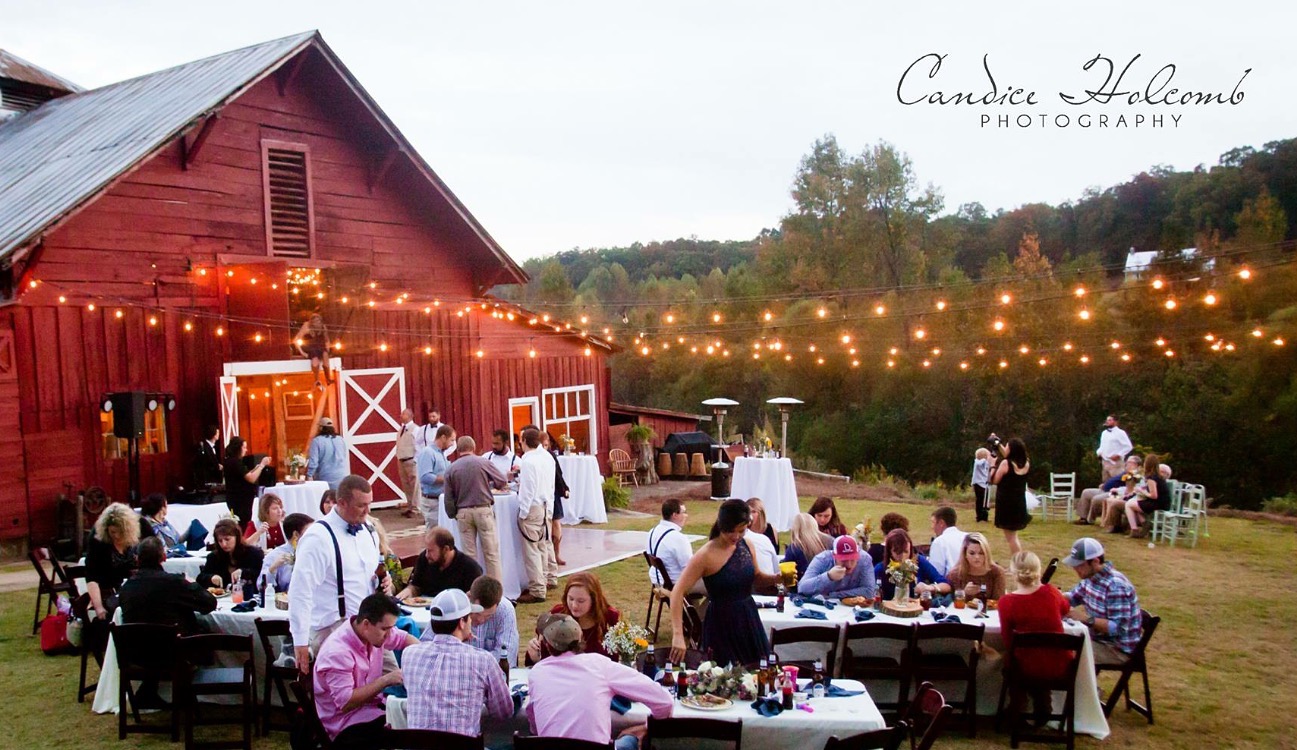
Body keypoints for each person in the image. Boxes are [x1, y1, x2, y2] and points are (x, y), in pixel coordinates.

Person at [289, 475, 391, 672]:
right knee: (348, 695)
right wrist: (300, 640)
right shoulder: (318, 537)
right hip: (335, 629)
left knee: (394, 677)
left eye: (369, 504)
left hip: (370, 625)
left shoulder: (369, 530)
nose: (368, 511)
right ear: (342, 503)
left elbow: (367, 574)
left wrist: (381, 580)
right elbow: (300, 591)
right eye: (362, 505)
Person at [527, 613, 673, 750]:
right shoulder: (599, 665)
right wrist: (646, 727)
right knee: (630, 739)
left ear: (546, 644)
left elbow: (533, 726)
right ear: (580, 637)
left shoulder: (536, 673)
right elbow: (664, 702)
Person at [669, 499, 780, 667]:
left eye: (741, 531)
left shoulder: (747, 545)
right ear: (721, 527)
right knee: (723, 679)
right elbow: (677, 592)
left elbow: (756, 577)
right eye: (730, 532)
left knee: (758, 674)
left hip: (748, 619)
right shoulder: (705, 555)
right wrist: (678, 634)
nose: (736, 536)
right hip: (721, 623)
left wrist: (776, 578)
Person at [404, 588, 513, 738]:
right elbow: (504, 711)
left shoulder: (409, 655)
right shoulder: (483, 660)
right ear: (462, 622)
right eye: (468, 618)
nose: (471, 622)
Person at [312, 593, 417, 748]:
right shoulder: (337, 652)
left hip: (370, 711)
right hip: (344, 726)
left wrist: (423, 655)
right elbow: (346, 702)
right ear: (366, 624)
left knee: (413, 721)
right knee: (407, 731)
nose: (389, 634)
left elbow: (404, 639)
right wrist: (386, 680)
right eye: (385, 629)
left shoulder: (374, 632)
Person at [997, 551, 1071, 722]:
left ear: (1013, 572)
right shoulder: (1051, 593)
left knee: (1014, 662)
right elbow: (1065, 609)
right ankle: (1042, 707)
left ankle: (1018, 705)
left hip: (1026, 666)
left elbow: (1008, 640)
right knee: (1034, 659)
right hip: (1060, 663)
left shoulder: (1007, 602)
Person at [1061, 537, 1143, 666]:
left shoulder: (1116, 586)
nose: (1075, 569)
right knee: (1059, 643)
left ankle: (1080, 686)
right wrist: (1052, 596)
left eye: (1080, 565)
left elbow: (1118, 628)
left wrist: (1086, 619)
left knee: (1066, 653)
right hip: (1099, 640)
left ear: (1095, 561)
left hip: (1117, 649)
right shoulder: (1090, 578)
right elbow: (1073, 597)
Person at [120, 537, 218, 635]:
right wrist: (193, 584)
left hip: (136, 646)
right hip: (175, 646)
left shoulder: (126, 588)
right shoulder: (175, 583)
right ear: (164, 557)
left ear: (137, 559)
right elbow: (210, 604)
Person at [444, 435, 508, 581]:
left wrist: (453, 514)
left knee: (469, 554)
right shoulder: (483, 462)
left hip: (463, 512)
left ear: (458, 450)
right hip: (483, 509)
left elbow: (448, 497)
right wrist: (489, 484)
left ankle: (473, 587)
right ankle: (496, 588)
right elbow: (502, 481)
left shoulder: (451, 468)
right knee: (491, 553)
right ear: (473, 448)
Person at [526, 572, 620, 663]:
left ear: (594, 600)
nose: (574, 605)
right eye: (571, 599)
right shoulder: (557, 616)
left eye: (581, 601)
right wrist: (535, 655)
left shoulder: (610, 618)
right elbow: (544, 656)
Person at [516, 426, 558, 604]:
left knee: (532, 549)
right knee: (542, 545)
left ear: (525, 442)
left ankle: (537, 589)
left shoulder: (528, 461)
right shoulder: (547, 457)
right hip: (546, 504)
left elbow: (528, 489)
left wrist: (523, 512)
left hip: (533, 506)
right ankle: (548, 578)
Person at [85, 502, 141, 620]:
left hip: (135, 590)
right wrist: (99, 607)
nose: (116, 536)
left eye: (120, 532)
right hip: (109, 593)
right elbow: (92, 576)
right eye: (113, 532)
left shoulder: (141, 530)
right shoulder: (98, 540)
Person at [398, 526, 483, 601]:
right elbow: (416, 585)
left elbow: (474, 599)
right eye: (426, 550)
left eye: (431, 551)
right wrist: (408, 592)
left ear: (446, 549)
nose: (427, 555)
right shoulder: (424, 558)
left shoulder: (470, 568)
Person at [873, 529, 950, 599]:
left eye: (906, 552)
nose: (903, 557)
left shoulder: (919, 561)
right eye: (898, 553)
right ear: (890, 552)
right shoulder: (880, 569)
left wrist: (930, 588)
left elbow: (946, 585)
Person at [461, 575, 518, 667]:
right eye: (477, 613)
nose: (481, 620)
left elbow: (506, 656)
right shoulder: (457, 609)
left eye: (488, 616)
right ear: (469, 598)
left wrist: (470, 662)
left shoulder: (505, 610)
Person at [798, 535, 877, 599]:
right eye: (844, 560)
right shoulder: (822, 559)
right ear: (834, 556)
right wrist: (828, 576)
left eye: (852, 560)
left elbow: (869, 591)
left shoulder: (865, 559)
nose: (849, 565)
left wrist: (834, 595)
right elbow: (802, 588)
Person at [646, 499, 700, 591]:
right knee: (719, 587)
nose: (686, 515)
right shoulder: (678, 538)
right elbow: (689, 568)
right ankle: (694, 605)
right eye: (684, 512)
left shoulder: (652, 532)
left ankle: (691, 605)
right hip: (675, 584)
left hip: (657, 580)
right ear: (675, 515)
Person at [200, 518, 265, 592]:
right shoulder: (214, 557)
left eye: (227, 539)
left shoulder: (253, 553)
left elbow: (263, 574)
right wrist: (211, 578)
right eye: (220, 541)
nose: (224, 544)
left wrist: (243, 572)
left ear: (237, 537)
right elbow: (200, 578)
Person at [991, 437, 1031, 555]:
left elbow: (994, 480)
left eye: (1007, 446)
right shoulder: (1026, 463)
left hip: (1006, 503)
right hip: (1019, 502)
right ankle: (1017, 563)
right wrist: (997, 443)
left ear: (1012, 450)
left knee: (1011, 538)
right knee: (1013, 536)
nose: (1005, 448)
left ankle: (1017, 564)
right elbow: (1007, 454)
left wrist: (992, 465)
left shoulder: (1005, 464)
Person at [1076, 455, 1141, 525]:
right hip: (1104, 489)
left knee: (1096, 499)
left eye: (1129, 462)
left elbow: (1129, 488)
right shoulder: (1125, 473)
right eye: (1127, 462)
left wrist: (1116, 490)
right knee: (1086, 492)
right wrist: (1104, 484)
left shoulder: (1135, 475)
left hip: (1114, 493)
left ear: (1136, 465)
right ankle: (1083, 517)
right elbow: (1114, 481)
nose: (1127, 464)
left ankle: (1090, 519)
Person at [258, 513, 314, 593]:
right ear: (296, 535)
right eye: (309, 531)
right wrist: (272, 568)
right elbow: (261, 587)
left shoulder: (315, 552)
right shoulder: (275, 556)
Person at [539, 430, 570, 566]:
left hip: (553, 493)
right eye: (542, 445)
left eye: (546, 445)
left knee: (556, 523)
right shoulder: (529, 457)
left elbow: (558, 474)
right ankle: (548, 556)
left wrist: (564, 488)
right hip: (541, 494)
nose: (545, 448)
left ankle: (557, 554)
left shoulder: (551, 456)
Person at [945, 531, 1007, 600]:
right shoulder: (955, 575)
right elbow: (948, 602)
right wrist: (964, 593)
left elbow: (999, 601)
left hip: (989, 610)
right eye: (972, 553)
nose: (977, 557)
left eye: (981, 553)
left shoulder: (997, 572)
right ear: (965, 554)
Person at [223, 436, 270, 527]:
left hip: (238, 499)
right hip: (240, 500)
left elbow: (245, 474)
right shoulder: (235, 462)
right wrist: (262, 465)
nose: (246, 450)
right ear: (238, 448)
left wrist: (257, 467)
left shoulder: (231, 461)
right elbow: (251, 478)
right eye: (244, 447)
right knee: (242, 524)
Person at [415, 424, 455, 528]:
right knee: (434, 532)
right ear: (443, 437)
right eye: (451, 440)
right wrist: (447, 479)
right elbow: (425, 477)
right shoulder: (428, 453)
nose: (452, 444)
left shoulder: (441, 454)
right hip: (432, 501)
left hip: (441, 500)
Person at [1125, 453, 1171, 539]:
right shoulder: (1158, 476)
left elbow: (1154, 495)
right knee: (1134, 503)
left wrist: (1142, 491)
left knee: (1128, 504)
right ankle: (1144, 524)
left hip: (1158, 504)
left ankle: (1135, 529)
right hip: (1162, 502)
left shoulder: (1151, 478)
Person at [783, 512, 832, 579]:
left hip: (803, 587)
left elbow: (788, 577)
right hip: (829, 584)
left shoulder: (793, 548)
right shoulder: (830, 541)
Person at [743, 497, 782, 580]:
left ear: (761, 513)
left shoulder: (771, 530)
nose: (750, 515)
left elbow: (776, 553)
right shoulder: (743, 531)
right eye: (748, 512)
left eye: (753, 512)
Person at [307, 417, 349, 491]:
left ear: (321, 428)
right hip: (342, 478)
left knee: (326, 500)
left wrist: (309, 475)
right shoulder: (340, 439)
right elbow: (344, 456)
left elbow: (313, 462)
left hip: (325, 479)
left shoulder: (317, 441)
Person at [293, 313, 332, 390]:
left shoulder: (323, 327)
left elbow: (327, 340)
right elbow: (296, 340)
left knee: (325, 355)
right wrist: (302, 353)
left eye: (319, 321)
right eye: (316, 321)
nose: (317, 323)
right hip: (311, 348)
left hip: (321, 347)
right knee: (315, 361)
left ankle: (328, 378)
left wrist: (328, 349)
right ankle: (316, 380)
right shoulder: (306, 326)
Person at [927, 506, 968, 577]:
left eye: (933, 522)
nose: (932, 527)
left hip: (951, 584)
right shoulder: (968, 536)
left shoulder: (939, 541)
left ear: (941, 523)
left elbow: (936, 572)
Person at [396, 408, 419, 517]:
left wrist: (416, 459)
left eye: (403, 414)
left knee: (415, 485)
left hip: (411, 459)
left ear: (410, 416)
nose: (401, 416)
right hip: (402, 460)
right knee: (406, 485)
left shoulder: (415, 429)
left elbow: (418, 445)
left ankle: (415, 508)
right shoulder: (400, 429)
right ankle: (410, 506)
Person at [1096, 414, 1134, 482]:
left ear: (1116, 422)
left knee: (1118, 482)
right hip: (1105, 462)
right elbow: (1102, 446)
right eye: (1107, 420)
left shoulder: (1120, 433)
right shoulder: (1104, 433)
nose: (1107, 422)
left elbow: (1128, 446)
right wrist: (1099, 453)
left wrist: (1119, 454)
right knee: (1105, 482)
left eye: (1110, 420)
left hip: (1116, 463)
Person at [972, 448, 992, 523]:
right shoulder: (977, 462)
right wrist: (986, 459)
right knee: (980, 500)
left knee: (984, 501)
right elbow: (979, 463)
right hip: (978, 483)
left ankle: (984, 516)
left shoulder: (986, 463)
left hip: (984, 484)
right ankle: (979, 517)